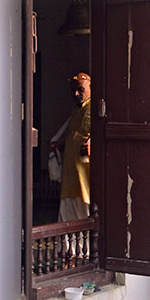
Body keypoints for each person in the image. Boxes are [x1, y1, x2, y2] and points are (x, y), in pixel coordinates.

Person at [48, 72, 92, 222]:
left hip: (85, 177)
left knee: (84, 215)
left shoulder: (94, 109)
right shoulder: (75, 112)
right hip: (70, 175)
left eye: (81, 89)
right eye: (73, 90)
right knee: (68, 216)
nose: (76, 94)